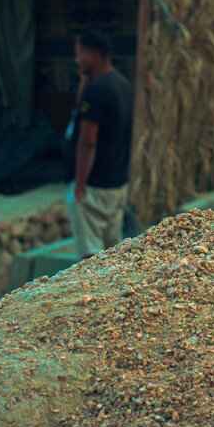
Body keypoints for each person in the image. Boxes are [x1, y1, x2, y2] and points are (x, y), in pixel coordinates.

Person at [63, 30, 134, 259]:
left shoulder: (97, 91)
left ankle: (93, 295)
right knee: (112, 248)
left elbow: (87, 142)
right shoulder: (122, 84)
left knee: (90, 255)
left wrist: (80, 186)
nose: (76, 61)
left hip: (94, 186)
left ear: (93, 54)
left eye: (79, 54)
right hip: (116, 183)